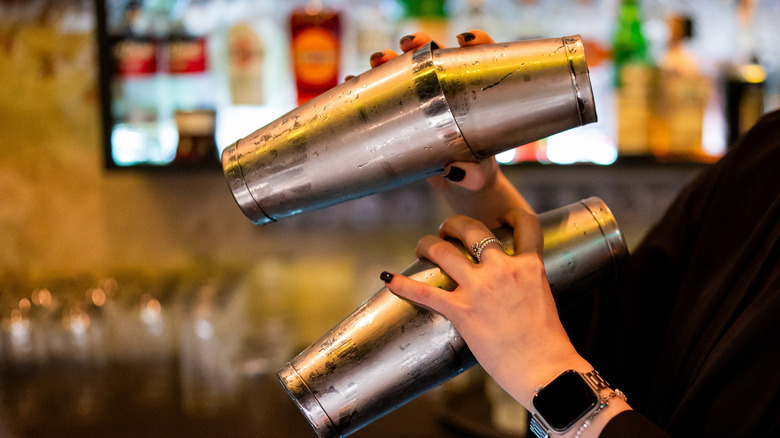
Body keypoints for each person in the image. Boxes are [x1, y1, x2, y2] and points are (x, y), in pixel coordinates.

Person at [372, 30, 780, 437]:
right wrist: (476, 183)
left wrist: (547, 370)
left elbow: (557, 362)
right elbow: (624, 335)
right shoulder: (768, 151)